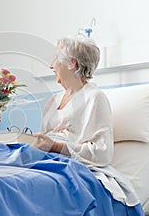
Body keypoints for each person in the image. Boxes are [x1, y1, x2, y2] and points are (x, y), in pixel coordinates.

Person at [34, 36, 113, 167]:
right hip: (42, 159)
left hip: (69, 165)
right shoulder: (54, 100)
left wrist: (56, 146)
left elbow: (103, 154)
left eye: (56, 58)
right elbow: (43, 141)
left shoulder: (95, 98)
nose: (51, 65)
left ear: (72, 63)